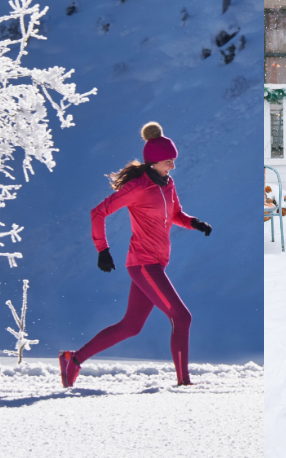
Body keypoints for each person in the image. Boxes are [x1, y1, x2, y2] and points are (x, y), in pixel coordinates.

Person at [59, 122, 212, 388]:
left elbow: (175, 214)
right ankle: (183, 383)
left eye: (173, 161)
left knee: (131, 326)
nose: (173, 166)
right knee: (181, 317)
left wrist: (193, 222)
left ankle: (73, 359)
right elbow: (98, 212)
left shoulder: (167, 183)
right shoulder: (137, 188)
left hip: (157, 263)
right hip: (143, 264)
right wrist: (102, 250)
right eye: (168, 161)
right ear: (153, 161)